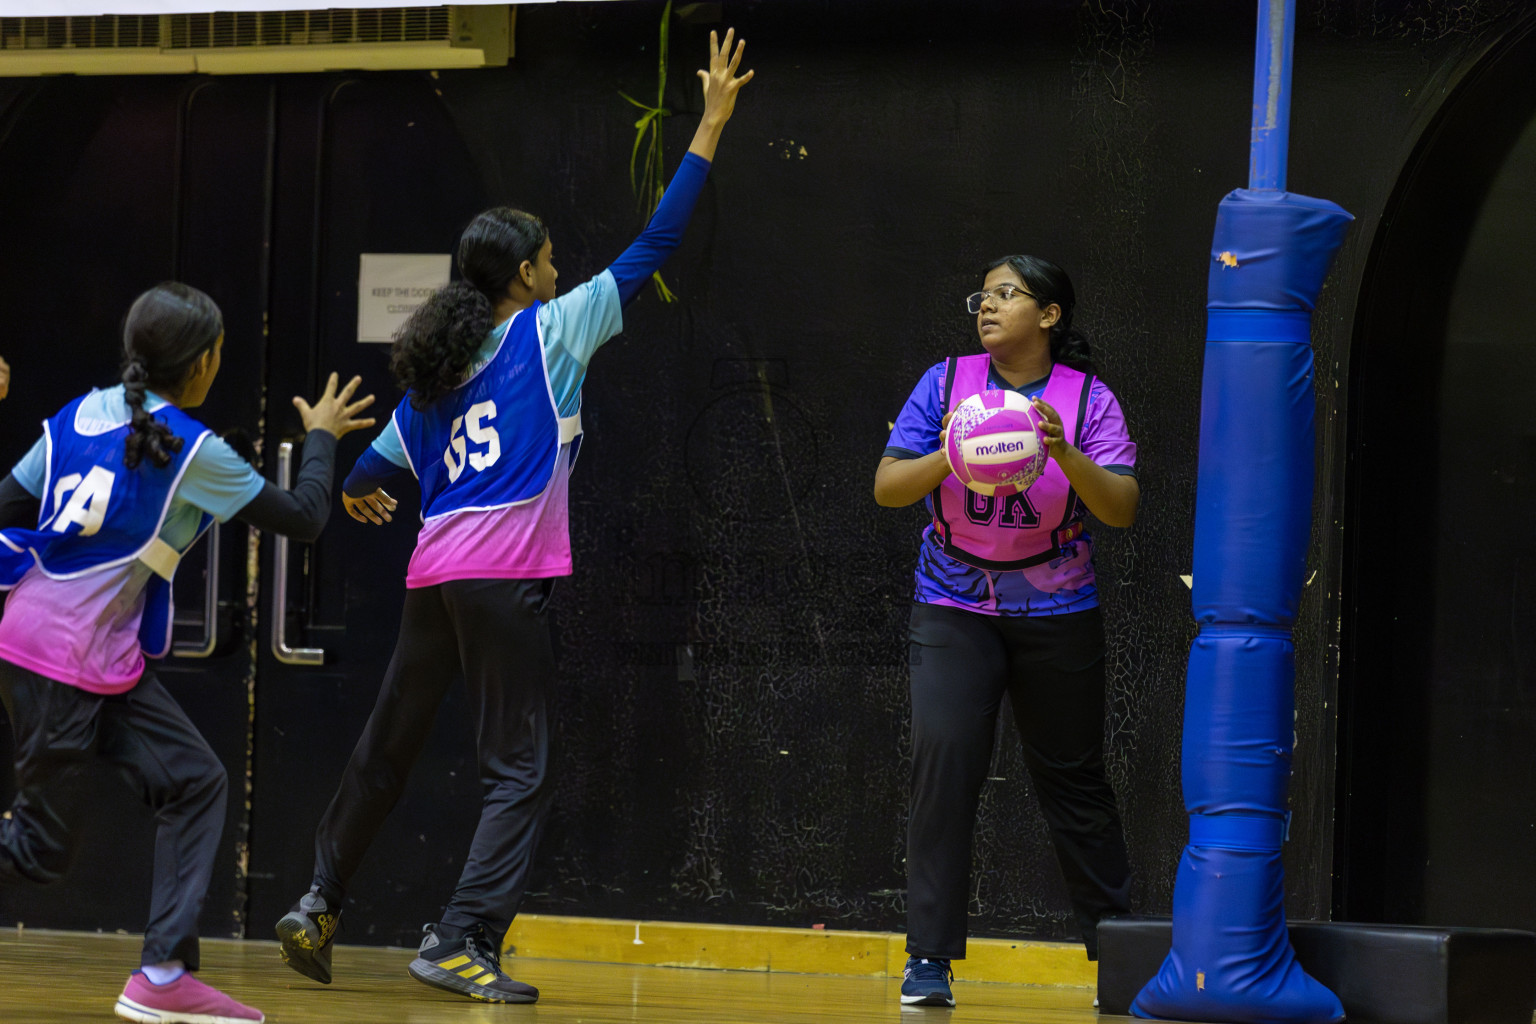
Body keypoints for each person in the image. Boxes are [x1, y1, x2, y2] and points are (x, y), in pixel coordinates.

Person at [274, 28, 754, 1005]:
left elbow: (370, 471)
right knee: (520, 771)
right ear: (528, 275)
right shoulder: (554, 331)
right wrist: (708, 121)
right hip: (500, 578)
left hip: (432, 578)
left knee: (387, 747)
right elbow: (657, 243)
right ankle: (462, 939)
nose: (555, 265)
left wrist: (362, 488)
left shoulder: (436, 371)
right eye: (546, 256)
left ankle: (318, 898)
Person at [0, 282, 376, 1024]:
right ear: (202, 365)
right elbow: (303, 516)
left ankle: (164, 975)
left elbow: (8, 509)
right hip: (60, 663)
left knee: (194, 781)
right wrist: (325, 435)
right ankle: (163, 972)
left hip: (79, 654)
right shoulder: (194, 451)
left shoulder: (78, 413)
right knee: (39, 854)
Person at [874, 256, 1139, 1008]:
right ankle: (928, 960)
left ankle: (1114, 954)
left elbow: (1120, 507)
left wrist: (1059, 451)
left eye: (1005, 294)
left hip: (1057, 606)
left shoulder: (1087, 399)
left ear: (1049, 315)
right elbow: (888, 488)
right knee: (944, 770)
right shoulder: (948, 383)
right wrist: (948, 454)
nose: (986, 307)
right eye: (981, 296)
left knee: (1073, 779)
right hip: (954, 602)